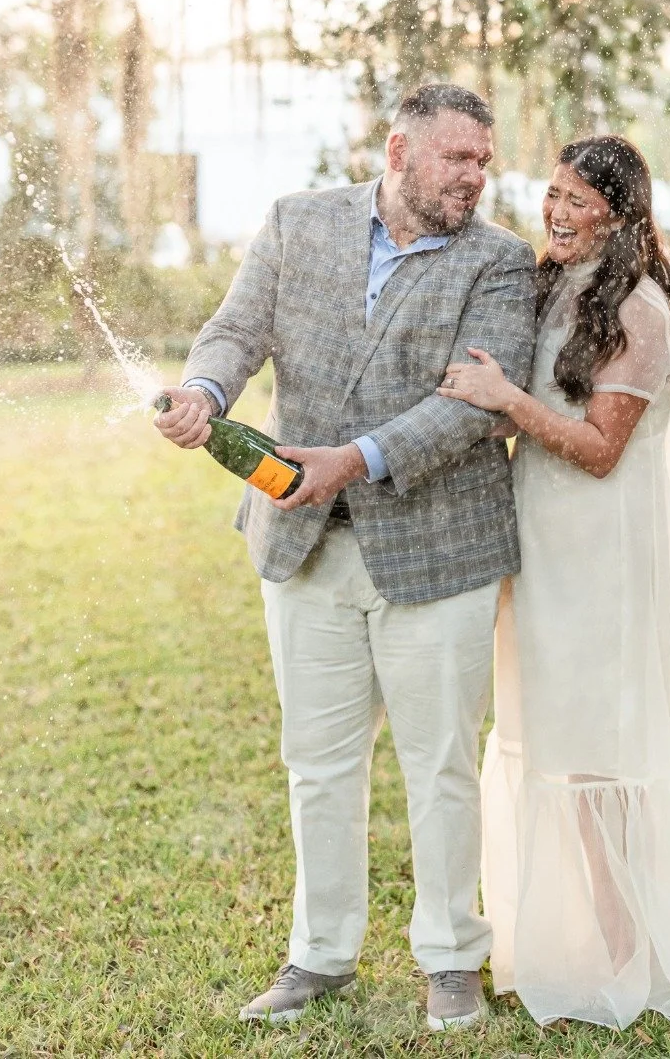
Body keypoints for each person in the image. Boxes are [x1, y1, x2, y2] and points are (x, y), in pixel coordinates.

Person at [154, 84, 536, 1030]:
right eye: (459, 158)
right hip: (301, 544)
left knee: (439, 762)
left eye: (484, 160)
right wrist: (205, 389)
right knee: (316, 762)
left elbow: (470, 407)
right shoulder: (299, 222)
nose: (476, 177)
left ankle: (451, 958)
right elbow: (239, 331)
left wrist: (355, 461)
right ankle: (320, 956)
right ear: (400, 152)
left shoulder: (499, 262)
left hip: (439, 550)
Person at [438, 134, 670, 1031]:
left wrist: (508, 404)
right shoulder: (555, 283)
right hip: (543, 553)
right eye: (552, 194)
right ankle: (584, 940)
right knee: (557, 744)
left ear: (620, 215)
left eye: (578, 202)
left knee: (602, 756)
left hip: (602, 561)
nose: (557, 213)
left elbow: (600, 450)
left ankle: (627, 954)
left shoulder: (637, 309)